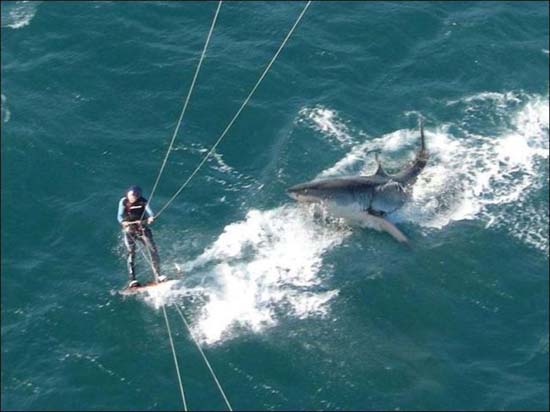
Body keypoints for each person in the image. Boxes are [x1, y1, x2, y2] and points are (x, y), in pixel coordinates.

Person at [117, 186, 167, 288]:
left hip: (142, 228)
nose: (132, 197)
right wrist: (123, 222)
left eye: (134, 196)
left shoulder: (143, 201)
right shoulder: (123, 201)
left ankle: (158, 275)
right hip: (129, 230)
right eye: (130, 195)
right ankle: (133, 279)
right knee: (131, 253)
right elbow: (119, 215)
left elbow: (150, 212)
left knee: (153, 250)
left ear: (138, 196)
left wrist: (150, 218)